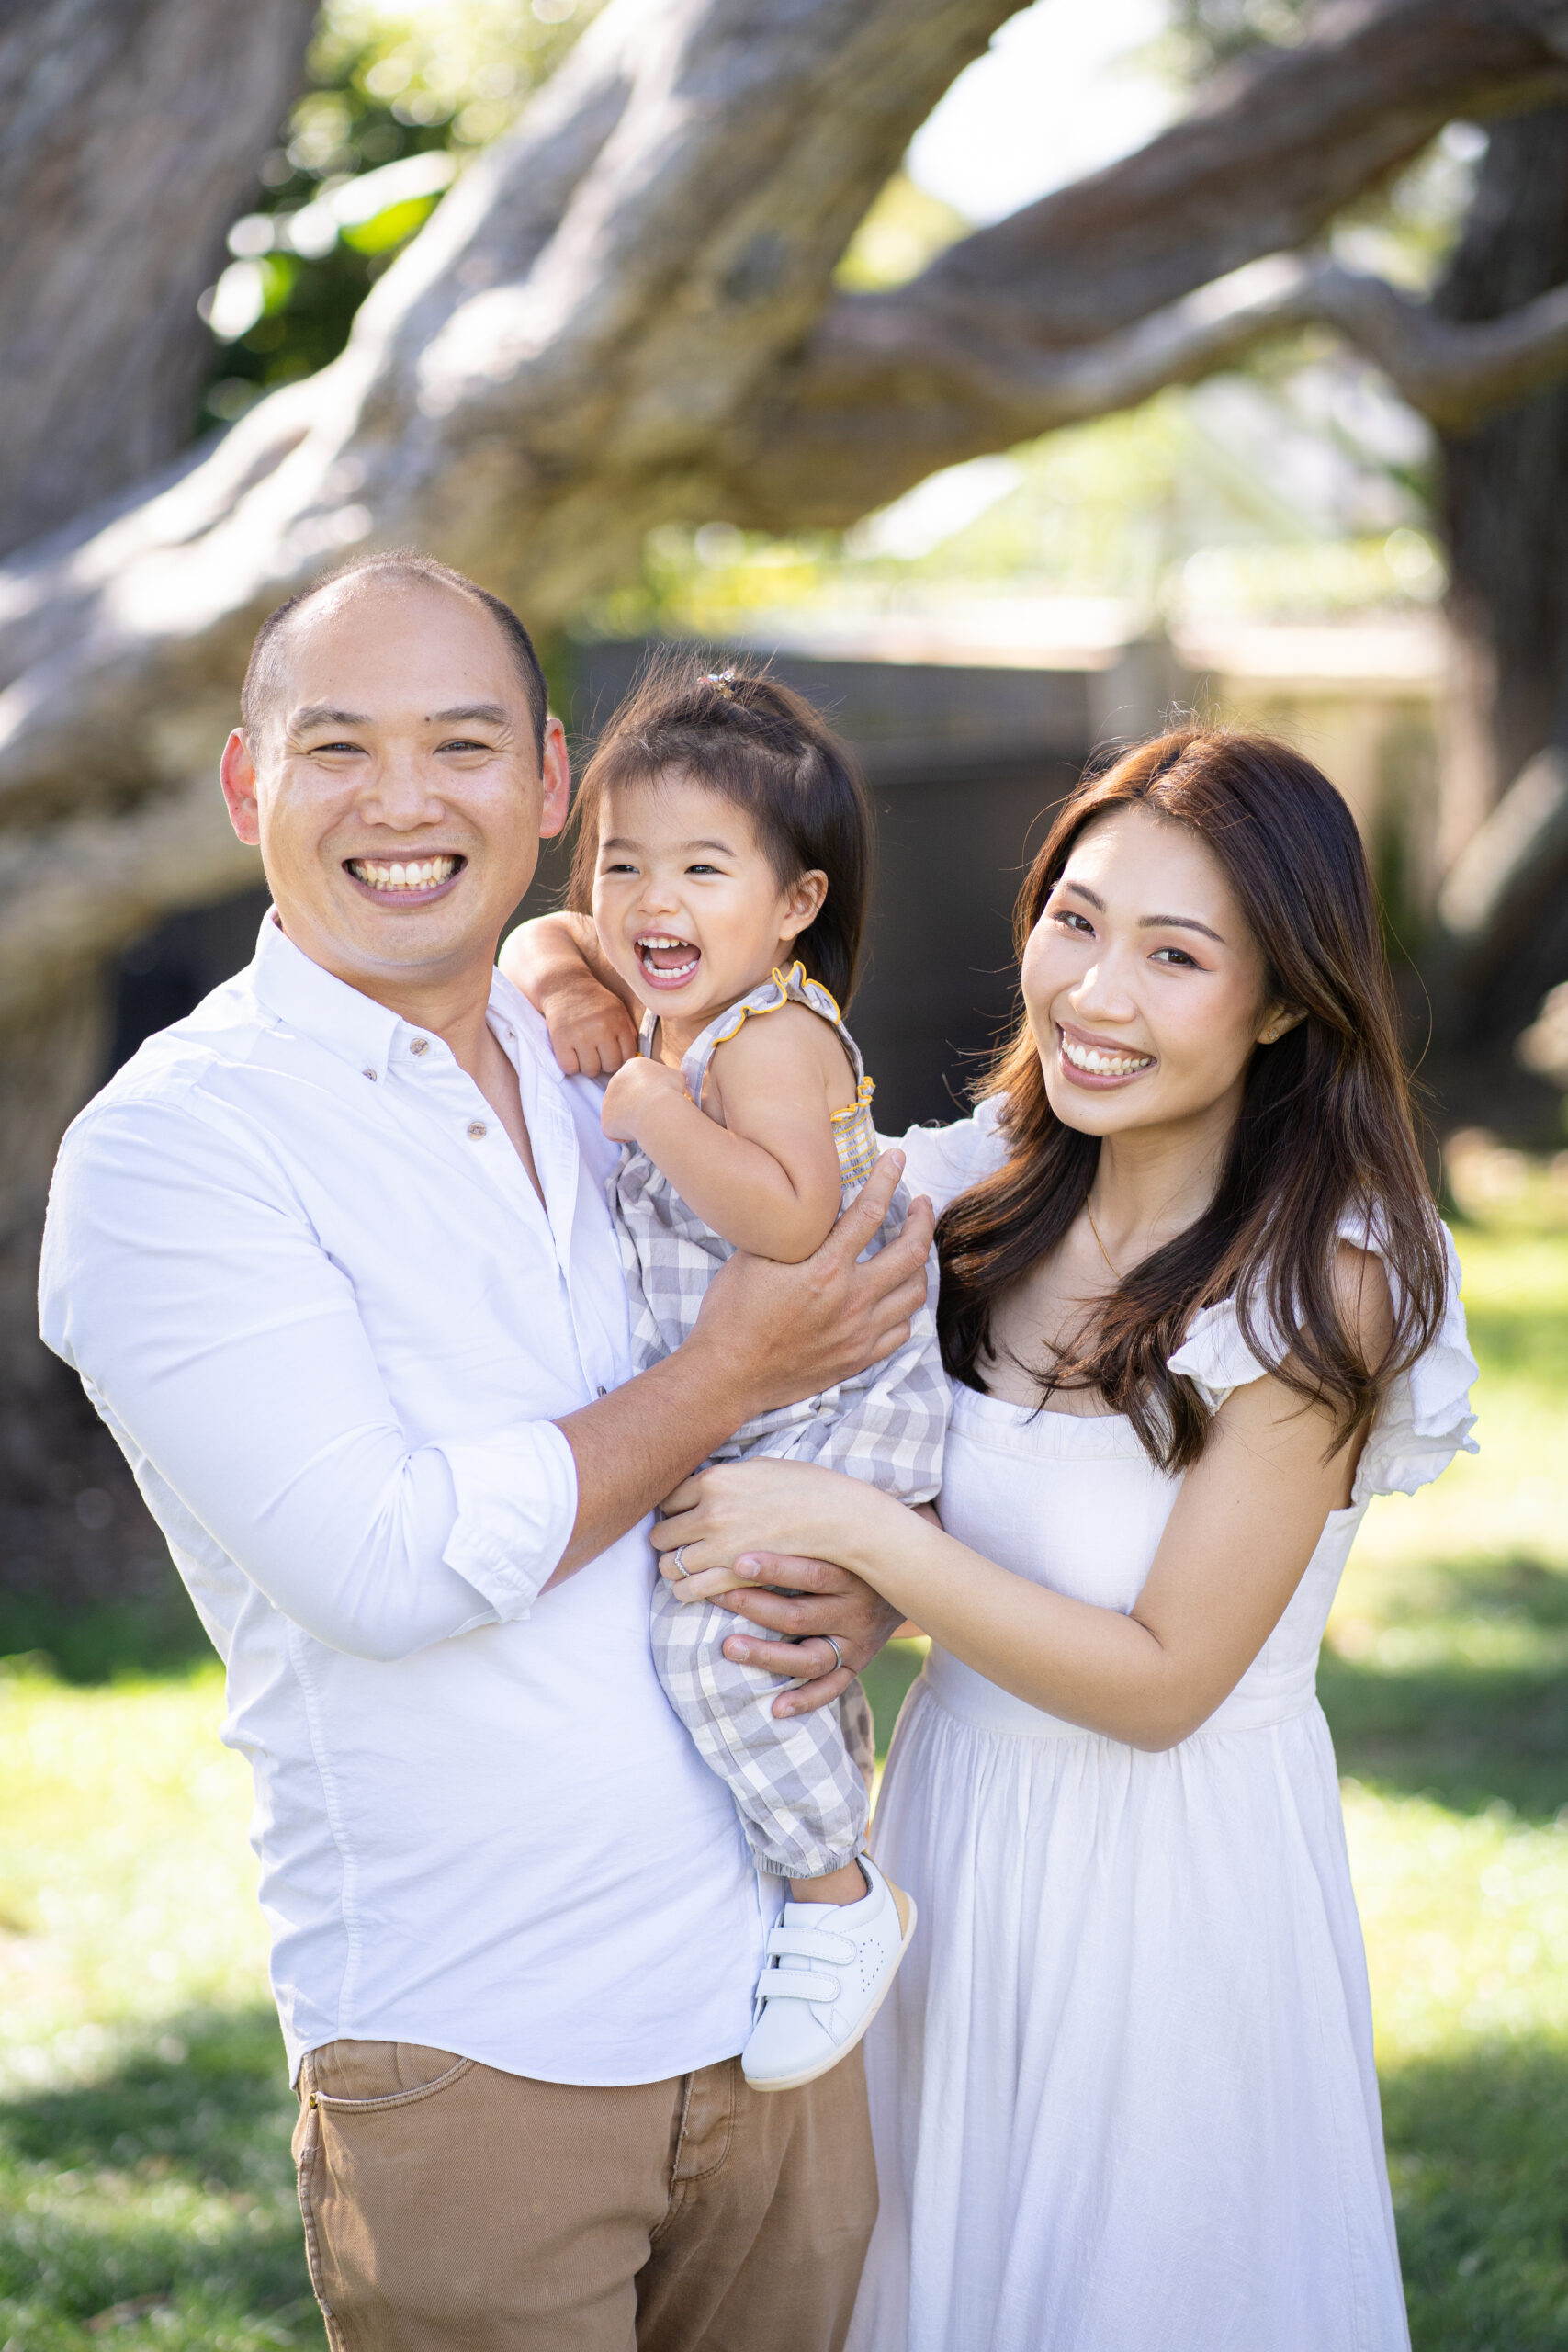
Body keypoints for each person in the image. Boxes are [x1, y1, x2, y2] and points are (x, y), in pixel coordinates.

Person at [38, 552, 933, 2352]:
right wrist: (734, 1360)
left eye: (457, 745)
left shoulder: (615, 1026)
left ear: (544, 785)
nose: (399, 799)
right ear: (246, 786)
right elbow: (387, 1563)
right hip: (474, 2039)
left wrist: (856, 1570)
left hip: (772, 1988)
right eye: (336, 746)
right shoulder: (175, 1152)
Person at [637, 731, 1480, 2351]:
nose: (1095, 993)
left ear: (1287, 1001)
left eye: (1175, 956)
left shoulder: (1330, 1278)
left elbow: (1165, 1678)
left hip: (1175, 1885)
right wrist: (864, 1589)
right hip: (952, 1838)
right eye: (1076, 920)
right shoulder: (968, 1192)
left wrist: (868, 1540)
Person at [502, 657, 942, 2094]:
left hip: (839, 1398)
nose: (653, 904)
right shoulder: (687, 1002)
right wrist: (564, 958)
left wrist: (644, 1107)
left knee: (716, 1643)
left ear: (796, 904)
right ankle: (805, 1864)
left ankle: (838, 1898)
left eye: (703, 868)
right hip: (773, 1401)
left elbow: (789, 1218)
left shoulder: (769, 1041)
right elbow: (545, 936)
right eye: (624, 864)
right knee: (740, 1632)